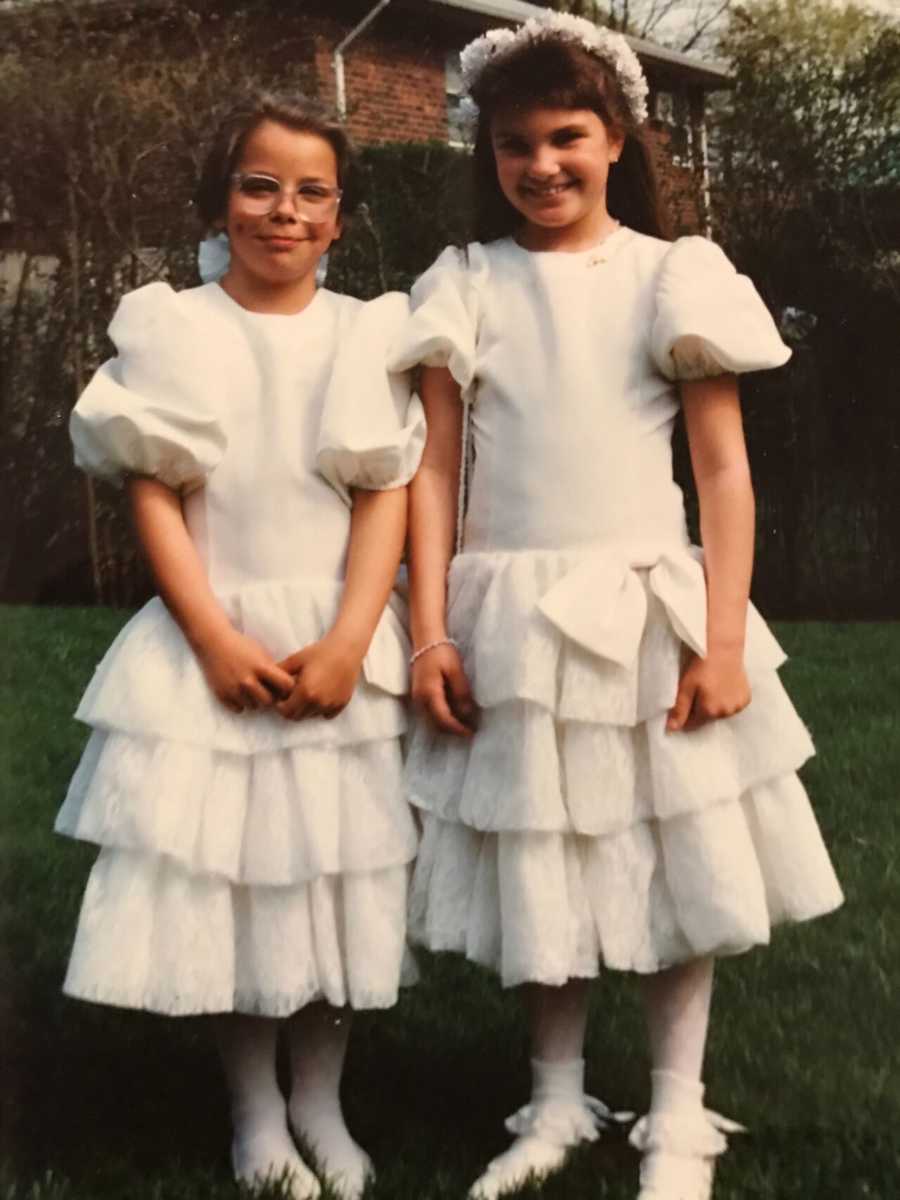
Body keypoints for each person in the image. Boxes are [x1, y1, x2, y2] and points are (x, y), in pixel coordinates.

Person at [389, 13, 843, 1200]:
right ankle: (552, 1097)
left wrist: (726, 639)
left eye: (567, 139)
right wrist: (430, 625)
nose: (541, 166)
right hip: (509, 612)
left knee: (668, 849)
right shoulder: (466, 283)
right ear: (487, 156)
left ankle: (680, 1111)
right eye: (514, 145)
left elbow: (723, 471)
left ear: (616, 140)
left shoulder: (668, 274)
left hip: (647, 606)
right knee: (545, 847)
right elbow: (434, 469)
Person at [55, 93, 424, 1200]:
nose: (284, 210)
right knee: (235, 874)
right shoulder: (177, 327)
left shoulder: (365, 332)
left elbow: (385, 491)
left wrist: (354, 635)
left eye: (312, 192)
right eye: (260, 186)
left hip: (333, 635)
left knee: (335, 865)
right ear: (224, 199)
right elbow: (156, 492)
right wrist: (210, 635)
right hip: (212, 637)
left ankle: (322, 1094)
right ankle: (255, 1108)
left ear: (340, 217)